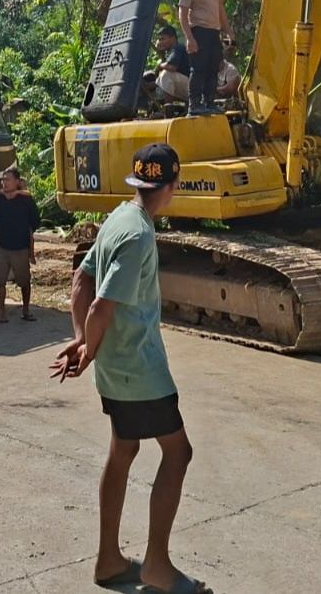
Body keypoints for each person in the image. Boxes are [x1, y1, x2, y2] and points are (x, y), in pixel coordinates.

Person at [50, 143, 207, 594]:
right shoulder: (138, 236)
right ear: (172, 186)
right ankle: (156, 564)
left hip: (117, 369)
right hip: (137, 368)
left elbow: (81, 279)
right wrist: (89, 348)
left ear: (137, 182)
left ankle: (108, 561)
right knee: (179, 452)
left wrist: (82, 340)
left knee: (124, 451)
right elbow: (102, 303)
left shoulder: (120, 216)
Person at [178, 0, 233, 116]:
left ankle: (210, 102)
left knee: (213, 67)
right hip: (198, 30)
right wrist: (189, 38)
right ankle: (194, 104)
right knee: (198, 69)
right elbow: (182, 13)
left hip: (214, 31)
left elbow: (220, 9)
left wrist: (228, 30)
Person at [0, 165, 42, 323]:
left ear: (17, 182)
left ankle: (26, 310)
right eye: (3, 180)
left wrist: (30, 250)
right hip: (2, 247)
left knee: (24, 281)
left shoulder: (26, 200)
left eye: (8, 180)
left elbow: (34, 223)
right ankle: (1, 313)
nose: (4, 183)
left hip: (20, 247)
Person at [143, 26, 191, 106]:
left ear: (172, 38)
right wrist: (147, 85)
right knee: (156, 78)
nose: (160, 42)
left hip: (192, 88)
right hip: (186, 88)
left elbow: (172, 67)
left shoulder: (177, 48)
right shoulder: (170, 52)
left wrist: (159, 66)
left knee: (166, 75)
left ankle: (168, 109)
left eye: (163, 39)